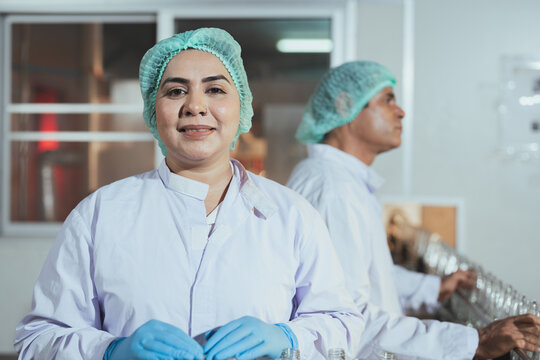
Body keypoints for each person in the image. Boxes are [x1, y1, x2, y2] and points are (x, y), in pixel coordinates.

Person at [13, 28, 364, 360]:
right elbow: (38, 339)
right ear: (154, 109)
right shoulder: (100, 214)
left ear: (241, 106)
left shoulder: (292, 216)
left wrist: (287, 339)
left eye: (215, 90)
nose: (195, 106)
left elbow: (343, 325)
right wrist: (110, 350)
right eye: (176, 91)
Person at [287, 61, 540, 359]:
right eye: (387, 100)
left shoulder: (341, 182)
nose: (401, 111)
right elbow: (347, 318)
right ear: (345, 106)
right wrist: (475, 341)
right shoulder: (332, 190)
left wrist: (432, 288)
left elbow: (367, 276)